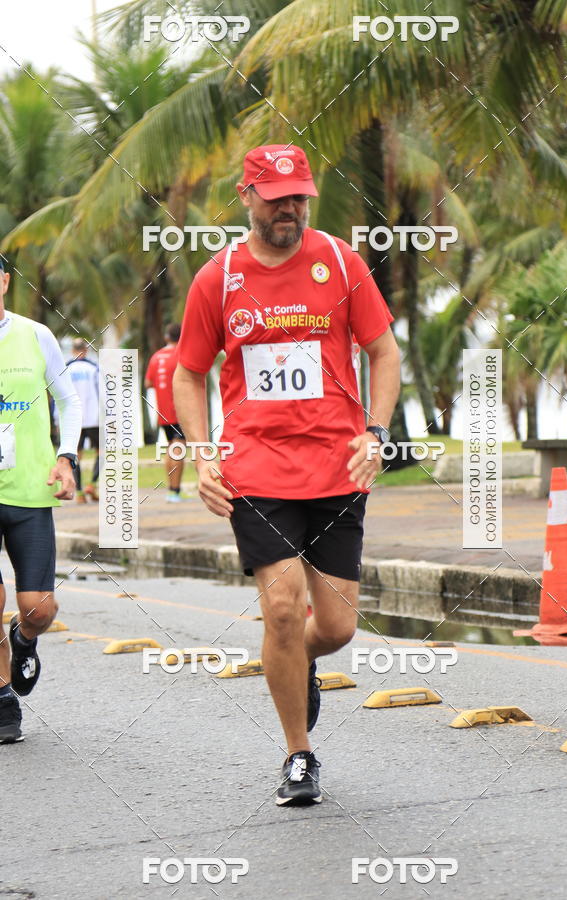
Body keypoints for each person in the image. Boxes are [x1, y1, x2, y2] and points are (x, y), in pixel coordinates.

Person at [174, 145, 400, 805]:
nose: (290, 210)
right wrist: (202, 453)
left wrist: (376, 432)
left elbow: (383, 352)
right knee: (279, 609)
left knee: (334, 629)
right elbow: (190, 372)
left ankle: (297, 663)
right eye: (277, 199)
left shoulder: (339, 262)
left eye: (300, 197)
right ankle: (299, 755)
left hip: (337, 466)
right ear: (247, 196)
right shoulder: (218, 279)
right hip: (259, 469)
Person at [0, 258, 82, 743]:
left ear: (5, 281)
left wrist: (67, 457)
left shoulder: (35, 336)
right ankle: (4, 698)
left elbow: (69, 399)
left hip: (30, 490)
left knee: (38, 607)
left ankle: (24, 638)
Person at [145, 323, 185, 502]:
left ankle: (172, 490)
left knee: (171, 447)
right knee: (178, 449)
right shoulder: (181, 354)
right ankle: (174, 491)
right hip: (180, 410)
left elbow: (148, 383)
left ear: (167, 337)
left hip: (162, 412)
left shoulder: (156, 357)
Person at [67, 337, 100, 502]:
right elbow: (104, 393)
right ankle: (92, 484)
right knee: (102, 452)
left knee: (76, 454)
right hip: (94, 417)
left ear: (73, 351)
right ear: (86, 350)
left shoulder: (66, 369)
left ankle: (79, 493)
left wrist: (58, 420)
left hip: (74, 419)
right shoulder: (94, 368)